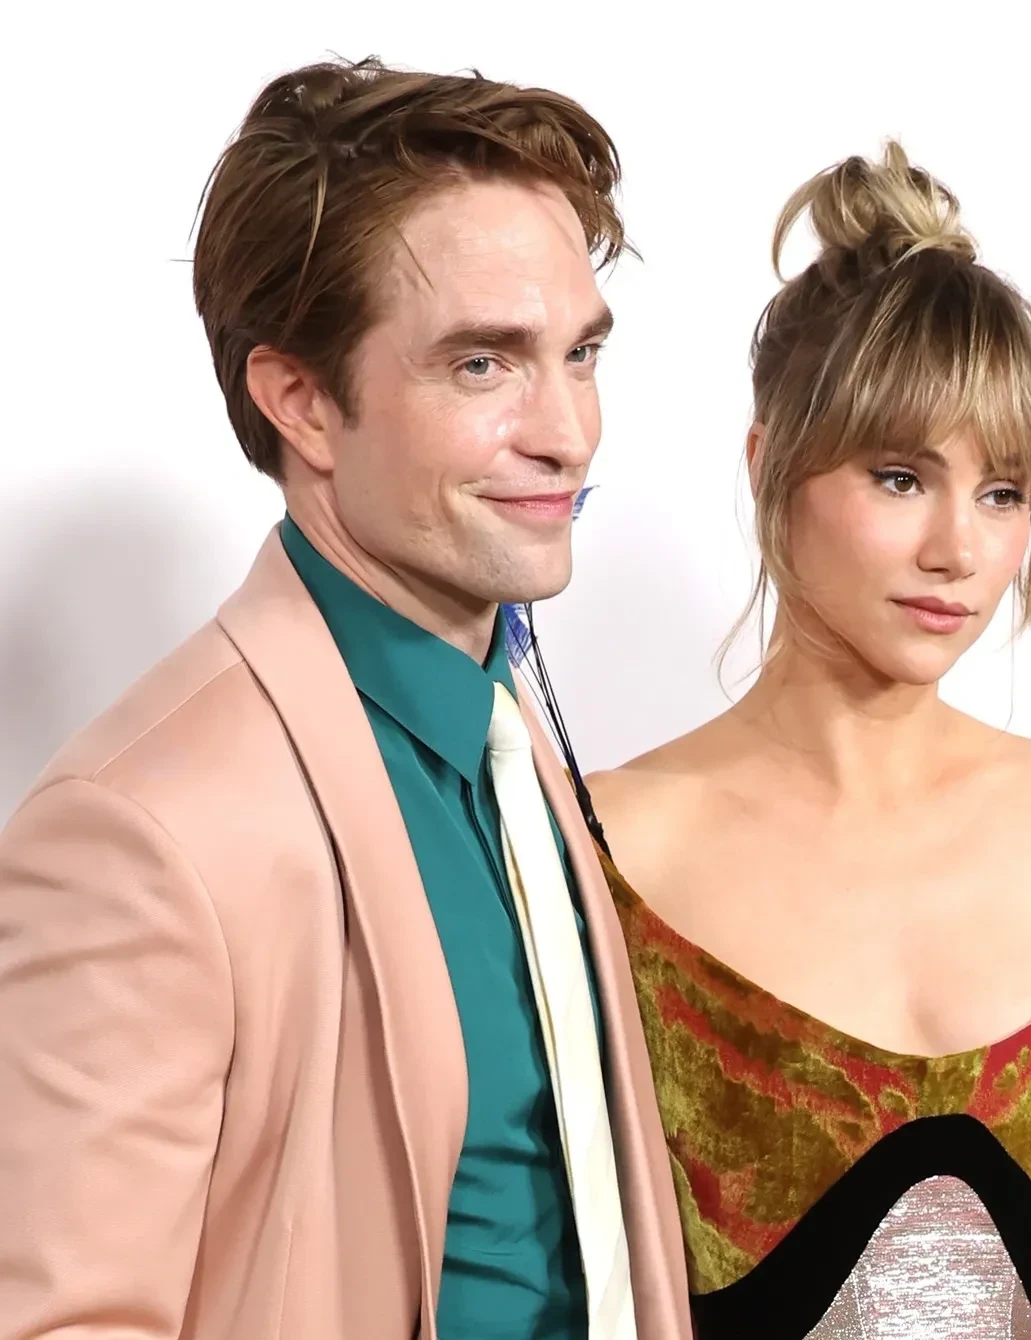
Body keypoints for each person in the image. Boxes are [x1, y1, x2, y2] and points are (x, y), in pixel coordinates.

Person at [0, 57, 691, 1340]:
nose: (569, 432)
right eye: (484, 364)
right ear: (303, 403)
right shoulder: (138, 831)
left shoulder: (515, 741)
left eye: (581, 353)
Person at [584, 143, 1031, 1339]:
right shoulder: (617, 842)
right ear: (770, 465)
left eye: (1005, 492)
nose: (959, 550)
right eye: (901, 477)